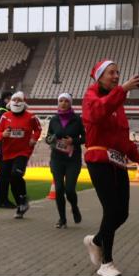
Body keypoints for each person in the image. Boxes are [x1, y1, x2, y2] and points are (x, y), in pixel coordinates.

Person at [81, 59, 139, 276]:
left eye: (118, 73)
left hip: (118, 160)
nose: (116, 76)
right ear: (99, 76)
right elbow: (96, 113)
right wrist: (122, 90)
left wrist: (138, 158)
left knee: (122, 213)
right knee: (111, 210)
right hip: (99, 158)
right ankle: (107, 262)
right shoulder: (91, 97)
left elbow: (123, 138)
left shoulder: (118, 105)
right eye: (111, 73)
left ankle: (95, 241)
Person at [0, 91, 41, 219]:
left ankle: (22, 199)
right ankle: (21, 203)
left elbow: (38, 129)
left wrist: (34, 138)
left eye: (19, 100)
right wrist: (3, 135)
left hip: (22, 152)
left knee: (16, 174)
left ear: (24, 101)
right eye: (14, 100)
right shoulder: (5, 116)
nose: (16, 102)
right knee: (11, 178)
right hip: (7, 152)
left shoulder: (31, 117)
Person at [44, 92, 85, 228]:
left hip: (72, 159)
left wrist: (73, 140)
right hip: (57, 159)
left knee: (69, 189)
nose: (63, 103)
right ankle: (62, 219)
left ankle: (74, 207)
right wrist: (50, 139)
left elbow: (86, 138)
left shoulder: (77, 119)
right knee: (59, 188)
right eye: (61, 101)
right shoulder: (54, 120)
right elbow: (48, 137)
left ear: (70, 103)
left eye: (66, 101)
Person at [0, 90, 15, 208]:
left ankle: (3, 200)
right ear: (6, 99)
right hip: (3, 145)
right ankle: (3, 200)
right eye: (12, 100)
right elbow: (8, 127)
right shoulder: (3, 112)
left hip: (1, 144)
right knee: (5, 174)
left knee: (4, 174)